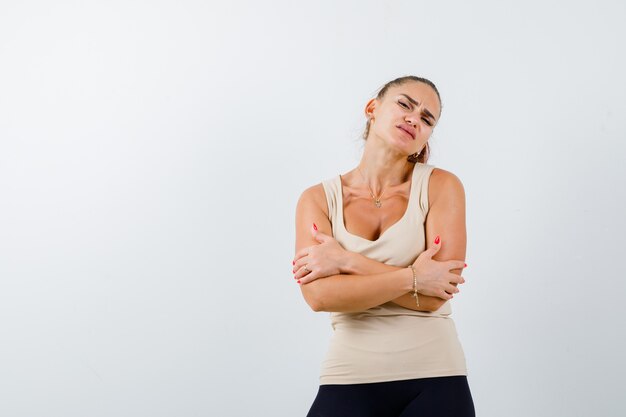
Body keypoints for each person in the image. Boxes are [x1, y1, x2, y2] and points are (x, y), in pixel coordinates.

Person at [292, 76, 476, 417]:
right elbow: (320, 296)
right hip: (347, 377)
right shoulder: (318, 199)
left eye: (426, 118)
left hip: (436, 378)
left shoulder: (441, 187)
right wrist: (415, 278)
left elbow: (437, 295)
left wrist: (346, 261)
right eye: (405, 104)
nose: (414, 119)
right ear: (372, 109)